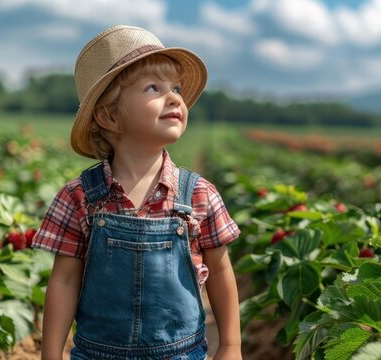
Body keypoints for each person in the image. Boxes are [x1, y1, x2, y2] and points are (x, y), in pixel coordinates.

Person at [31, 25, 242, 360]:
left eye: (176, 88)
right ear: (109, 115)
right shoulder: (80, 197)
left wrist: (230, 346)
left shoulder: (199, 195)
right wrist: (51, 353)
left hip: (180, 354)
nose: (174, 97)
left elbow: (219, 270)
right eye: (153, 88)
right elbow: (64, 282)